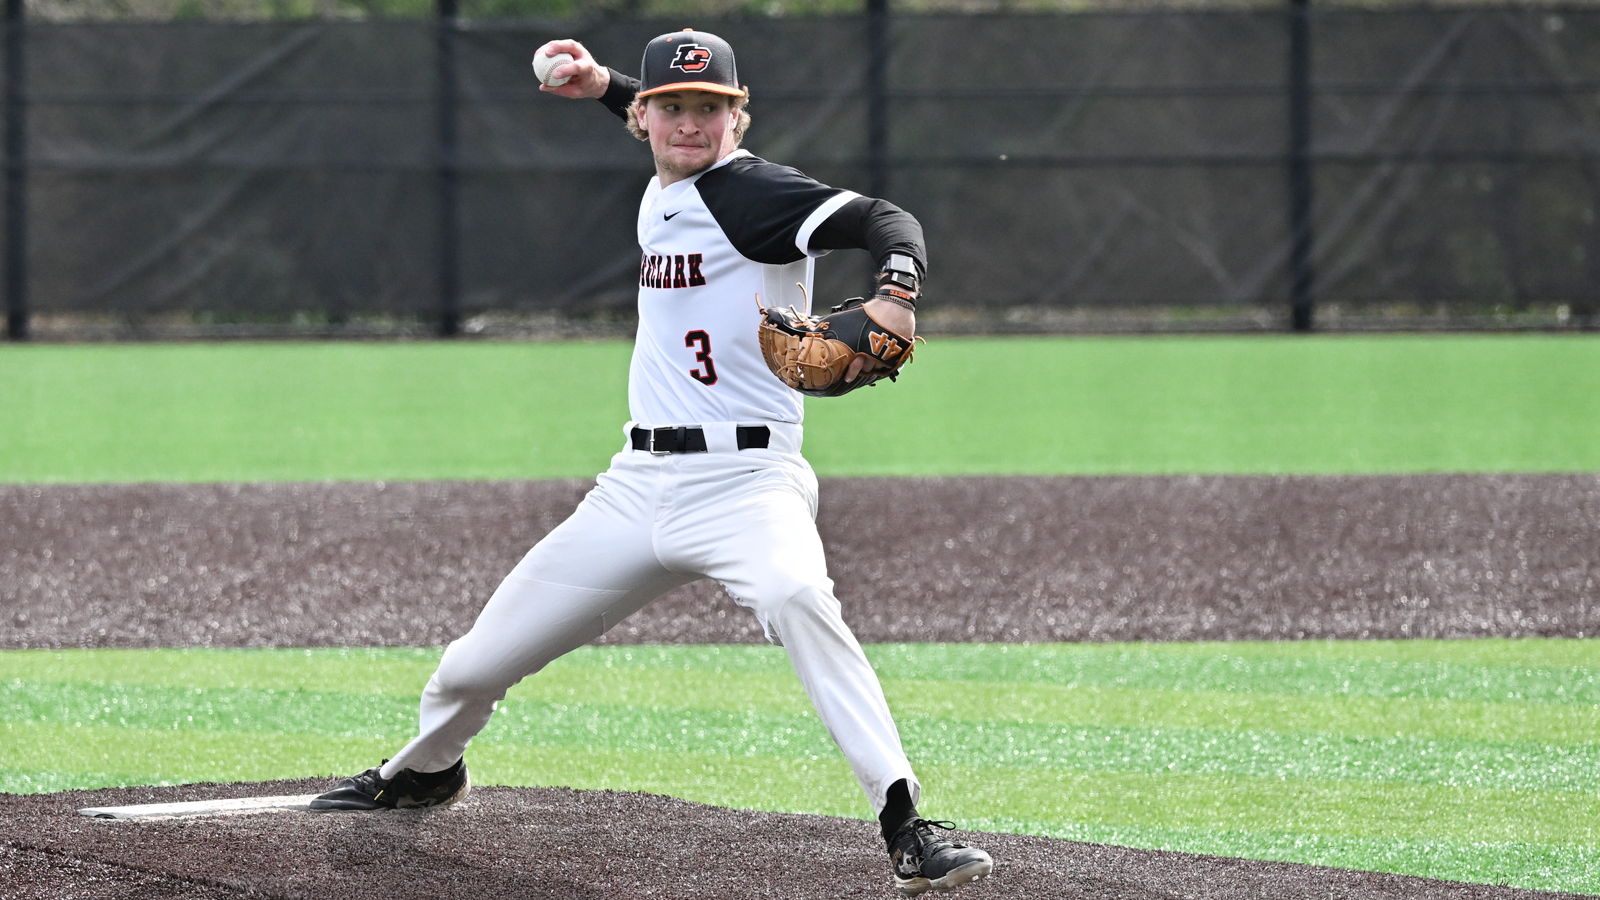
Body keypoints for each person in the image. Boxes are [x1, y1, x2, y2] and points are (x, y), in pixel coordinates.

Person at [308, 29, 993, 896]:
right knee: (471, 667)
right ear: (644, 115)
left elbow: (886, 219)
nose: (691, 123)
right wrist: (600, 82)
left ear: (738, 121)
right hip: (635, 489)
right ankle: (428, 770)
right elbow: (661, 116)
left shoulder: (752, 193)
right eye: (672, 107)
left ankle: (905, 820)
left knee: (797, 597)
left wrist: (896, 288)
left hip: (746, 487)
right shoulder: (667, 170)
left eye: (713, 109)